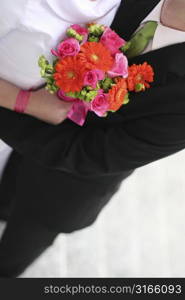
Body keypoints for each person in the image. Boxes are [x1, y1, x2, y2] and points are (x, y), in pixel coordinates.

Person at [0, 0, 185, 277]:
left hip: (66, 185)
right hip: (35, 117)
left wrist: (16, 106)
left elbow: (91, 156)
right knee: (9, 189)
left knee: (16, 250)